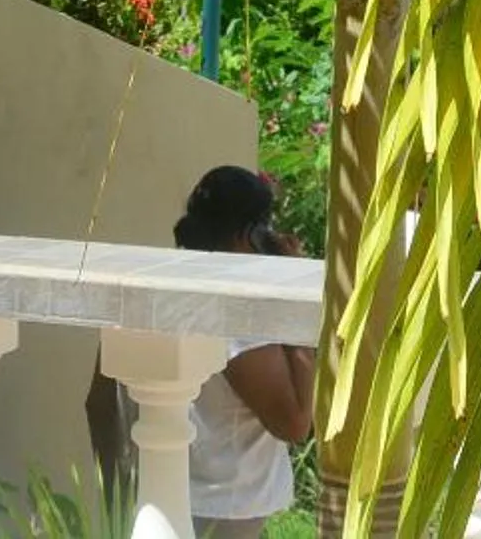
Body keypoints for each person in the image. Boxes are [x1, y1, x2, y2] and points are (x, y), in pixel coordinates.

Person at [87, 166, 316, 539]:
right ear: (250, 235)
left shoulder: (150, 289)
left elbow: (99, 403)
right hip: (226, 507)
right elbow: (293, 422)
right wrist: (294, 302)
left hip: (153, 499)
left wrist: (118, 495)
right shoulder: (238, 308)